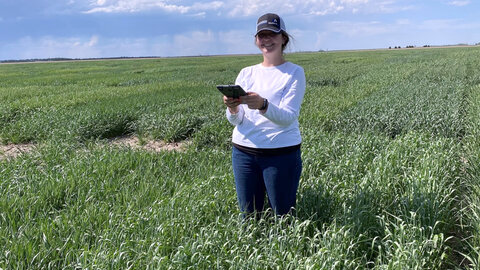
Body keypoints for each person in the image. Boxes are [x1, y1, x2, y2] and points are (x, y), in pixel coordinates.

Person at [223, 13, 306, 217]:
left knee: (283, 216)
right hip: (243, 152)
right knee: (249, 217)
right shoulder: (246, 73)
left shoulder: (294, 72)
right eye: (262, 35)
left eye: (272, 34)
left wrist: (263, 105)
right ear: (256, 40)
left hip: (281, 154)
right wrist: (232, 107)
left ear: (283, 38)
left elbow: (288, 117)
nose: (266, 40)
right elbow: (236, 120)